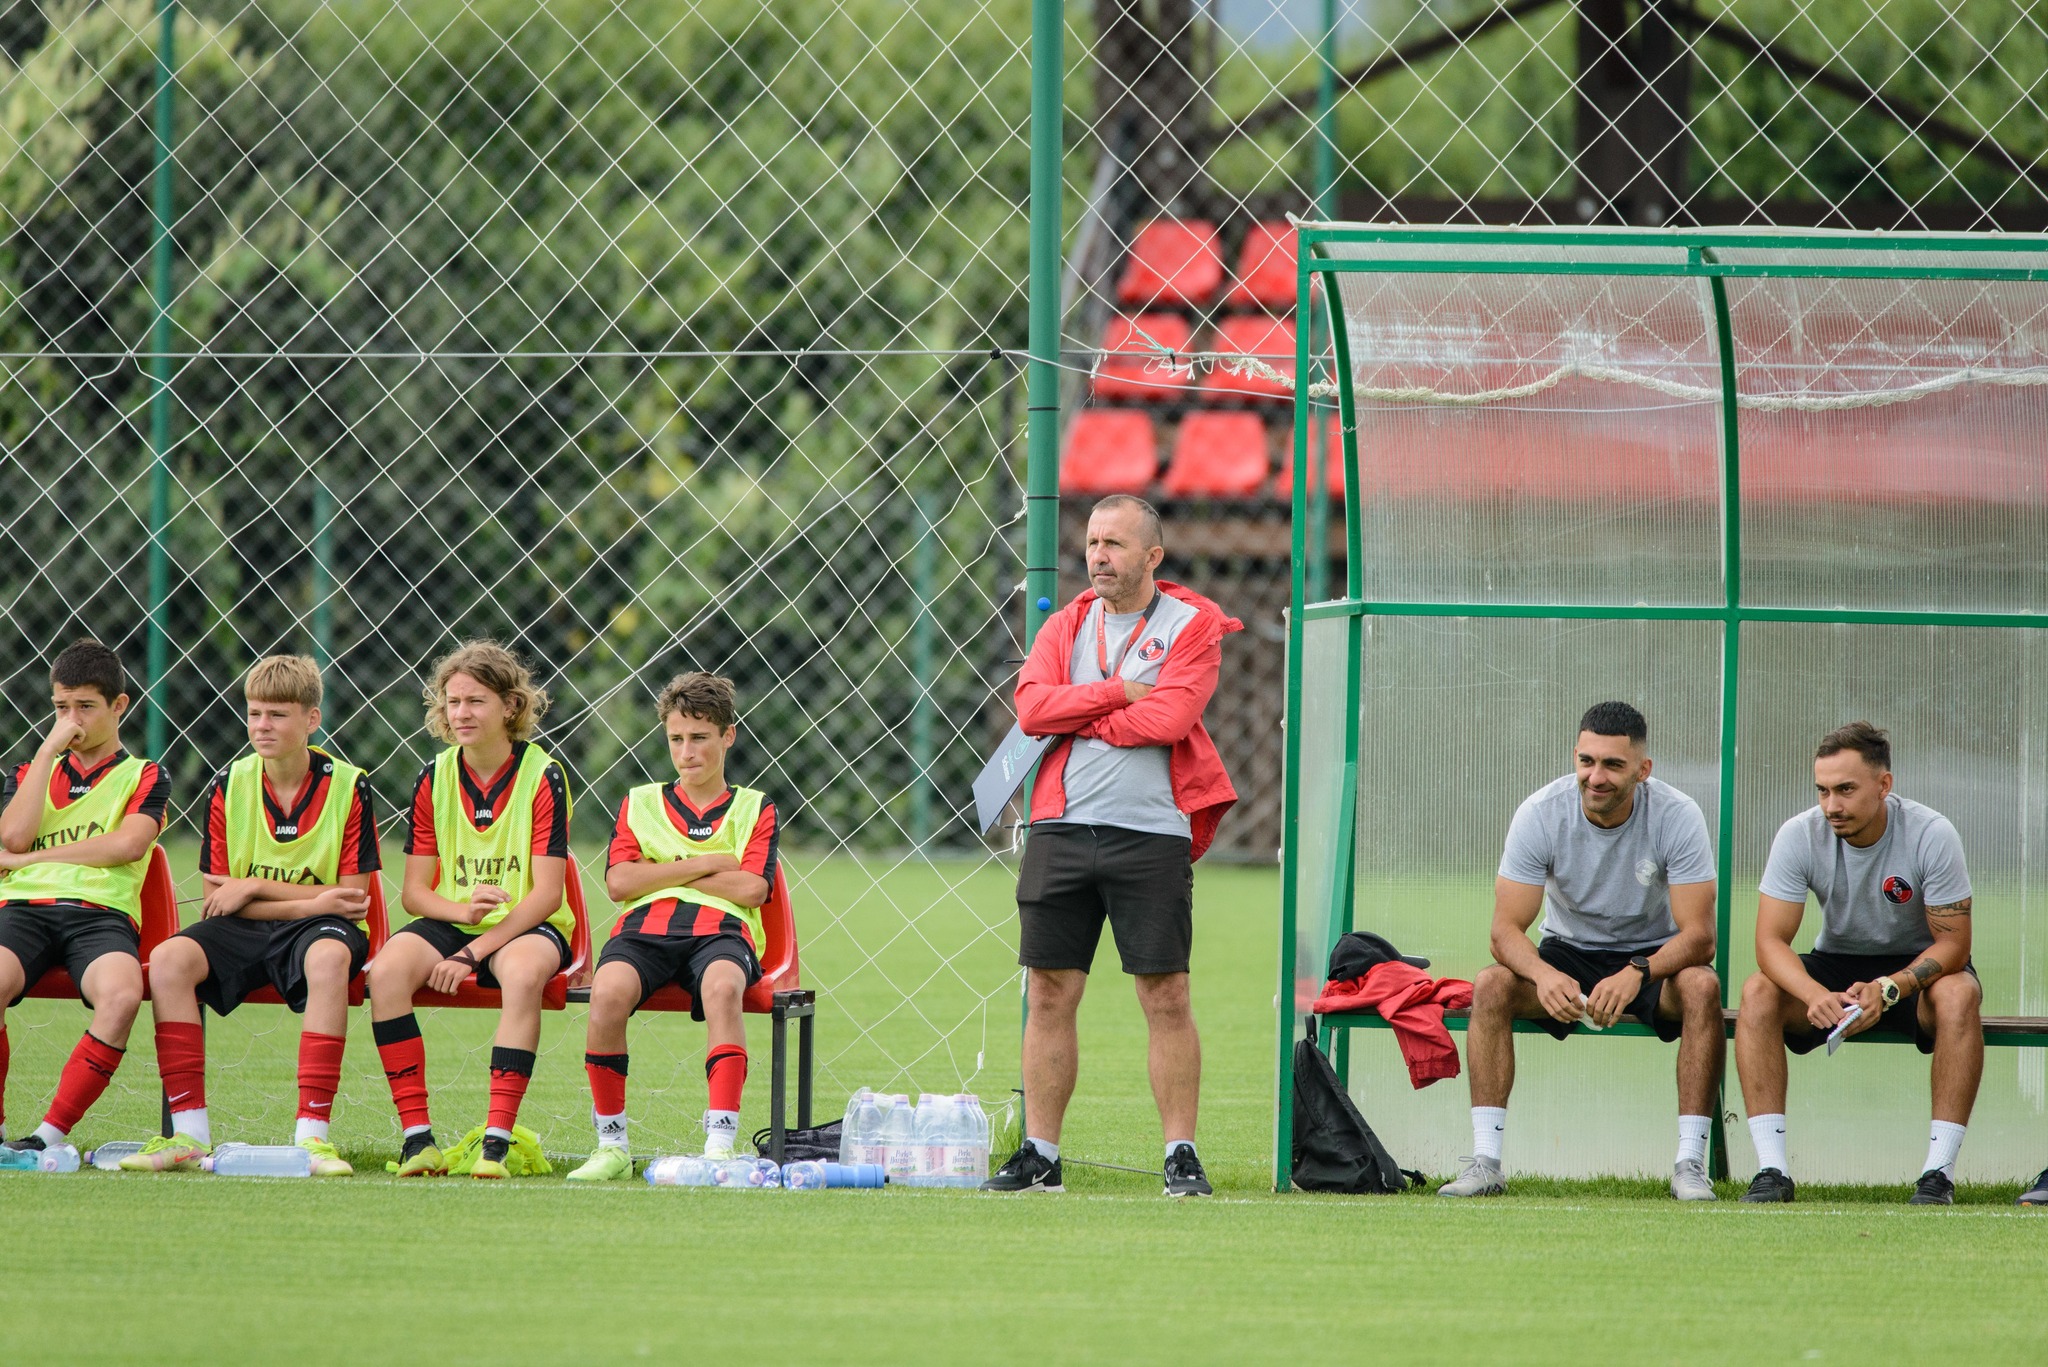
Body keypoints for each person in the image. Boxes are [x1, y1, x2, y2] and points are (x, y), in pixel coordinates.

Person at [984, 494, 1242, 1198]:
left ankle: (1180, 1154)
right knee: (1049, 992)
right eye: (1093, 541)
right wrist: (1119, 692)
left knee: (1166, 996)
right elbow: (1033, 709)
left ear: (1152, 556)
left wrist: (1087, 711)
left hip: (1151, 835)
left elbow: (1171, 716)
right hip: (1060, 830)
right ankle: (1041, 1154)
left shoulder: (1192, 624)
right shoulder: (1066, 624)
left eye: (1115, 544)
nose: (1098, 555)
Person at [1441, 701, 1723, 1201]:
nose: (1596, 777)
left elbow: (1701, 937)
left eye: (1614, 765)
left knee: (1703, 986)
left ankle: (1690, 1166)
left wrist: (1638, 971)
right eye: (1586, 761)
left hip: (1650, 959)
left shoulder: (1678, 815)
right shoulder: (1540, 812)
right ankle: (1485, 1162)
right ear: (1574, 756)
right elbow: (1504, 931)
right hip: (1566, 954)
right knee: (1491, 984)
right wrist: (1545, 976)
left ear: (1643, 769)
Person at [121, 656, 377, 1176]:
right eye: (255, 713)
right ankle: (188, 1137)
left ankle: (312, 1138)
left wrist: (258, 886)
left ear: (312, 719)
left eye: (278, 715)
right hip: (262, 923)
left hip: (322, 928)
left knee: (328, 960)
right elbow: (218, 898)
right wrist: (308, 900)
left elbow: (350, 900)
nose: (262, 726)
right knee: (169, 959)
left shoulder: (350, 786)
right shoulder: (228, 782)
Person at [1734, 722, 1980, 1205]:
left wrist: (1890, 988)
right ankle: (1771, 1171)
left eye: (1845, 789)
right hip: (1834, 966)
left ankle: (1937, 1176)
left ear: (1883, 785)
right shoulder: (1799, 833)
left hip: (1913, 970)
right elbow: (1768, 941)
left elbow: (1954, 945)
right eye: (1823, 791)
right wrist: (1812, 994)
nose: (1832, 806)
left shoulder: (1932, 833)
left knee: (1959, 993)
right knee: (1757, 991)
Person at [368, 641, 573, 1179]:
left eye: (476, 701)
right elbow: (415, 893)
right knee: (386, 972)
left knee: (524, 974)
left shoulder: (543, 774)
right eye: (452, 701)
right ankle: (418, 1140)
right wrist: (460, 908)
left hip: (529, 924)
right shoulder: (432, 777)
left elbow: (549, 894)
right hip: (451, 920)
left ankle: (496, 1145)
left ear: (510, 706)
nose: (461, 713)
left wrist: (473, 950)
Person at [565, 672, 780, 1182]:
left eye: (700, 738)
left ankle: (720, 1144)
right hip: (644, 930)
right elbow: (620, 884)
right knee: (607, 993)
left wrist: (659, 871)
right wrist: (706, 863)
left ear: (728, 736)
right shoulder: (639, 802)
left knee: (724, 986)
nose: (687, 752)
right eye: (677, 739)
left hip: (723, 933)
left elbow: (752, 890)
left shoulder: (755, 807)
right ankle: (611, 1146)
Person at [0, 639, 168, 1157]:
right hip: (23, 911)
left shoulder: (144, 775)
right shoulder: (29, 773)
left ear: (119, 706)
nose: (71, 721)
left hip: (100, 917)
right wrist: (48, 750)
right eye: (60, 708)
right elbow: (12, 839)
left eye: (85, 707)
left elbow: (129, 844)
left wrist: (30, 862)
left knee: (120, 997)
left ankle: (47, 1137)